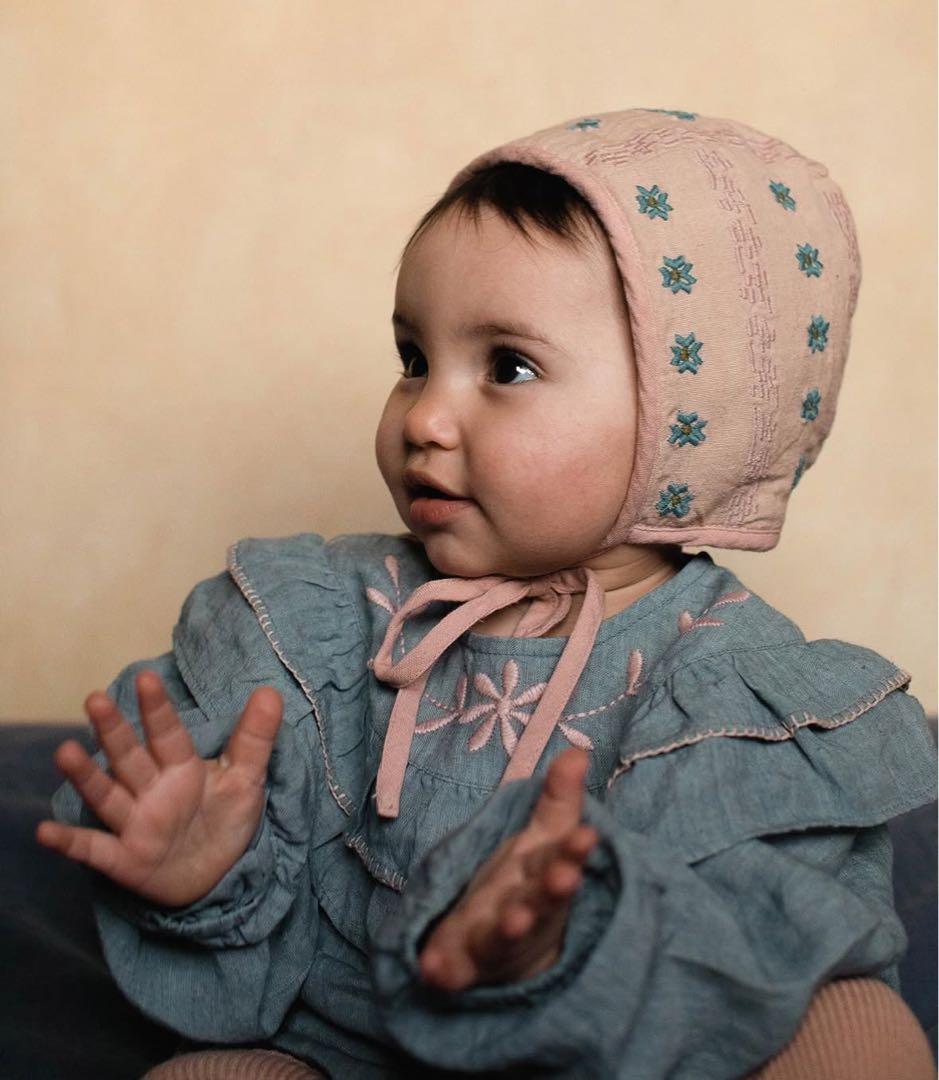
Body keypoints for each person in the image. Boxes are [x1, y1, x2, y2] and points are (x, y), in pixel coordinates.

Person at [37, 108, 937, 1079]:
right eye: (412, 358)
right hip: (354, 1054)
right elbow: (254, 942)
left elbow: (746, 948)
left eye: (507, 366)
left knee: (848, 1022)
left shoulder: (734, 692)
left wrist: (558, 944)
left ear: (694, 423)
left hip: (617, 1058)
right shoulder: (316, 624)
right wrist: (206, 871)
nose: (424, 416)